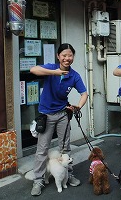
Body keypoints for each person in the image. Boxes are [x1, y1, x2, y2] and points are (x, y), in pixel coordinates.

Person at [30, 43, 88, 196]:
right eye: (64, 55)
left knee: (65, 147)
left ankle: (68, 174)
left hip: (63, 113)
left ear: (73, 57)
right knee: (42, 149)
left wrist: (78, 107)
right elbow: (33, 70)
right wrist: (54, 73)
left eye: (70, 55)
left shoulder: (74, 75)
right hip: (47, 114)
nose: (67, 58)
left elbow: (84, 94)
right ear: (58, 56)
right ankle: (38, 180)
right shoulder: (52, 68)